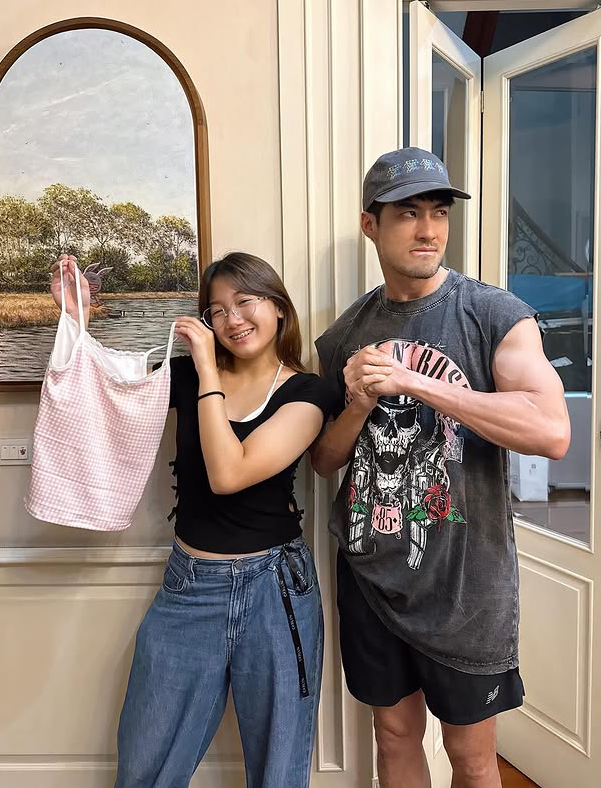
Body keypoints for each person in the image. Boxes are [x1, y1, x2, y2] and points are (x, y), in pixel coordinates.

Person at [311, 147, 570, 788]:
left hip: (465, 584)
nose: (428, 229)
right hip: (371, 574)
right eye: (408, 214)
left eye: (438, 212)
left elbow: (551, 431)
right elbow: (324, 461)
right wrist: (358, 403)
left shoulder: (492, 313)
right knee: (395, 736)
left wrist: (417, 383)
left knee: (472, 757)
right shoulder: (344, 336)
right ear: (370, 225)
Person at [50, 251, 333, 788]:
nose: (232, 320)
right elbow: (104, 389)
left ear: (278, 307)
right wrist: (77, 319)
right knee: (146, 765)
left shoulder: (308, 392)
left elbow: (230, 473)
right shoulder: (185, 374)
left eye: (244, 302)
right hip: (189, 585)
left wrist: (206, 369)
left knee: (278, 768)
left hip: (275, 589)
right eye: (216, 310)